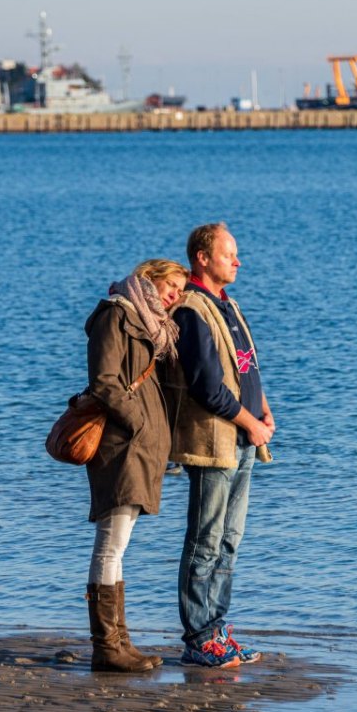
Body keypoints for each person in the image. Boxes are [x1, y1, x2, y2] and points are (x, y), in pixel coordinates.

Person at [163, 222, 274, 669]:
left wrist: (264, 412)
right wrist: (251, 421)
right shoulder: (191, 309)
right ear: (202, 258)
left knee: (230, 540)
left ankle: (218, 627)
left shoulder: (228, 305)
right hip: (215, 443)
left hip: (245, 438)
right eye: (230, 254)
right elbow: (208, 388)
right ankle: (198, 636)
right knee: (205, 540)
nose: (238, 261)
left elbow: (246, 367)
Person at [83, 258, 188, 672]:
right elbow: (104, 381)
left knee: (118, 546)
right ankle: (107, 647)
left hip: (139, 447)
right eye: (172, 285)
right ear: (150, 277)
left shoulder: (148, 323)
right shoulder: (115, 314)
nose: (175, 294)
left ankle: (118, 642)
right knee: (111, 544)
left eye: (181, 289)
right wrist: (139, 422)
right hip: (121, 445)